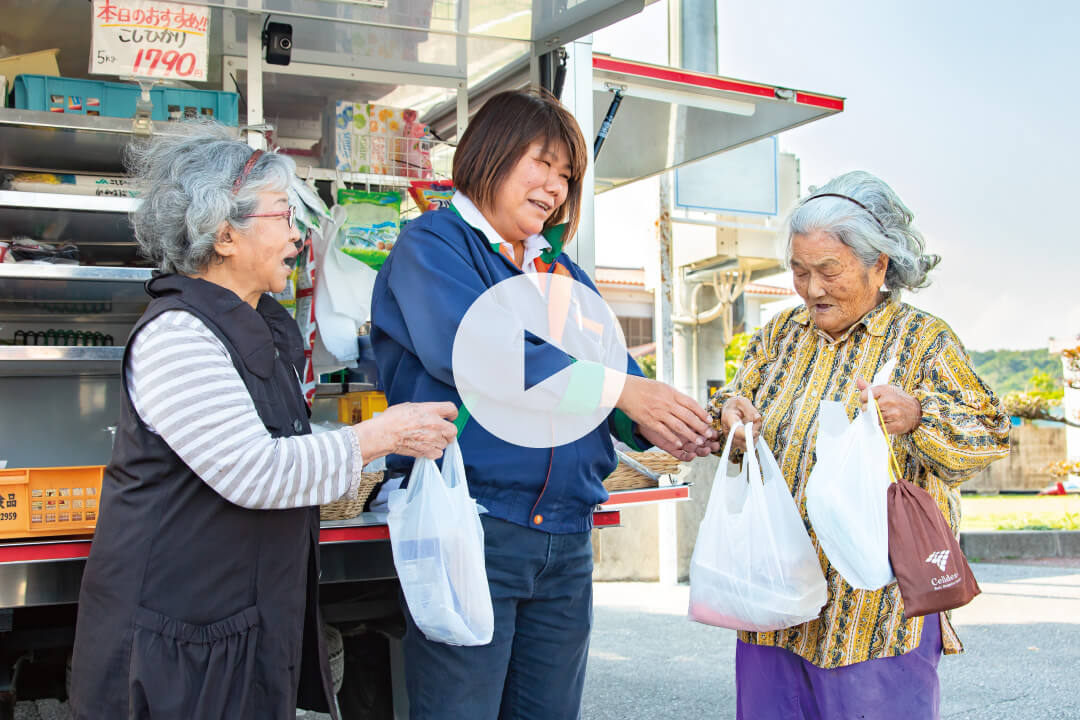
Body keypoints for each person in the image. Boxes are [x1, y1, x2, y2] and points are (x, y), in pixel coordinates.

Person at [69, 122, 459, 720]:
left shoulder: (260, 324)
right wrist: (382, 433)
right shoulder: (179, 333)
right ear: (225, 234)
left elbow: (283, 445)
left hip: (230, 631)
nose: (298, 235)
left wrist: (383, 449)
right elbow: (255, 470)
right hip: (172, 645)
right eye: (282, 214)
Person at [370, 88, 719, 719]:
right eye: (542, 163)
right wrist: (623, 391)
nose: (555, 187)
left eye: (566, 175)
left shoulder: (565, 276)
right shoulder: (433, 246)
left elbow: (615, 382)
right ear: (489, 153)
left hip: (566, 534)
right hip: (474, 522)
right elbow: (482, 355)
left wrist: (676, 422)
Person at [710, 170, 1010, 719]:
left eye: (829, 270)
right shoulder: (780, 336)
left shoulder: (924, 340)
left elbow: (989, 435)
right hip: (777, 599)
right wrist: (731, 419)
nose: (813, 288)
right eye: (799, 271)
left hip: (874, 612)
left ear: (880, 264)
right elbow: (731, 405)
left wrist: (919, 415)